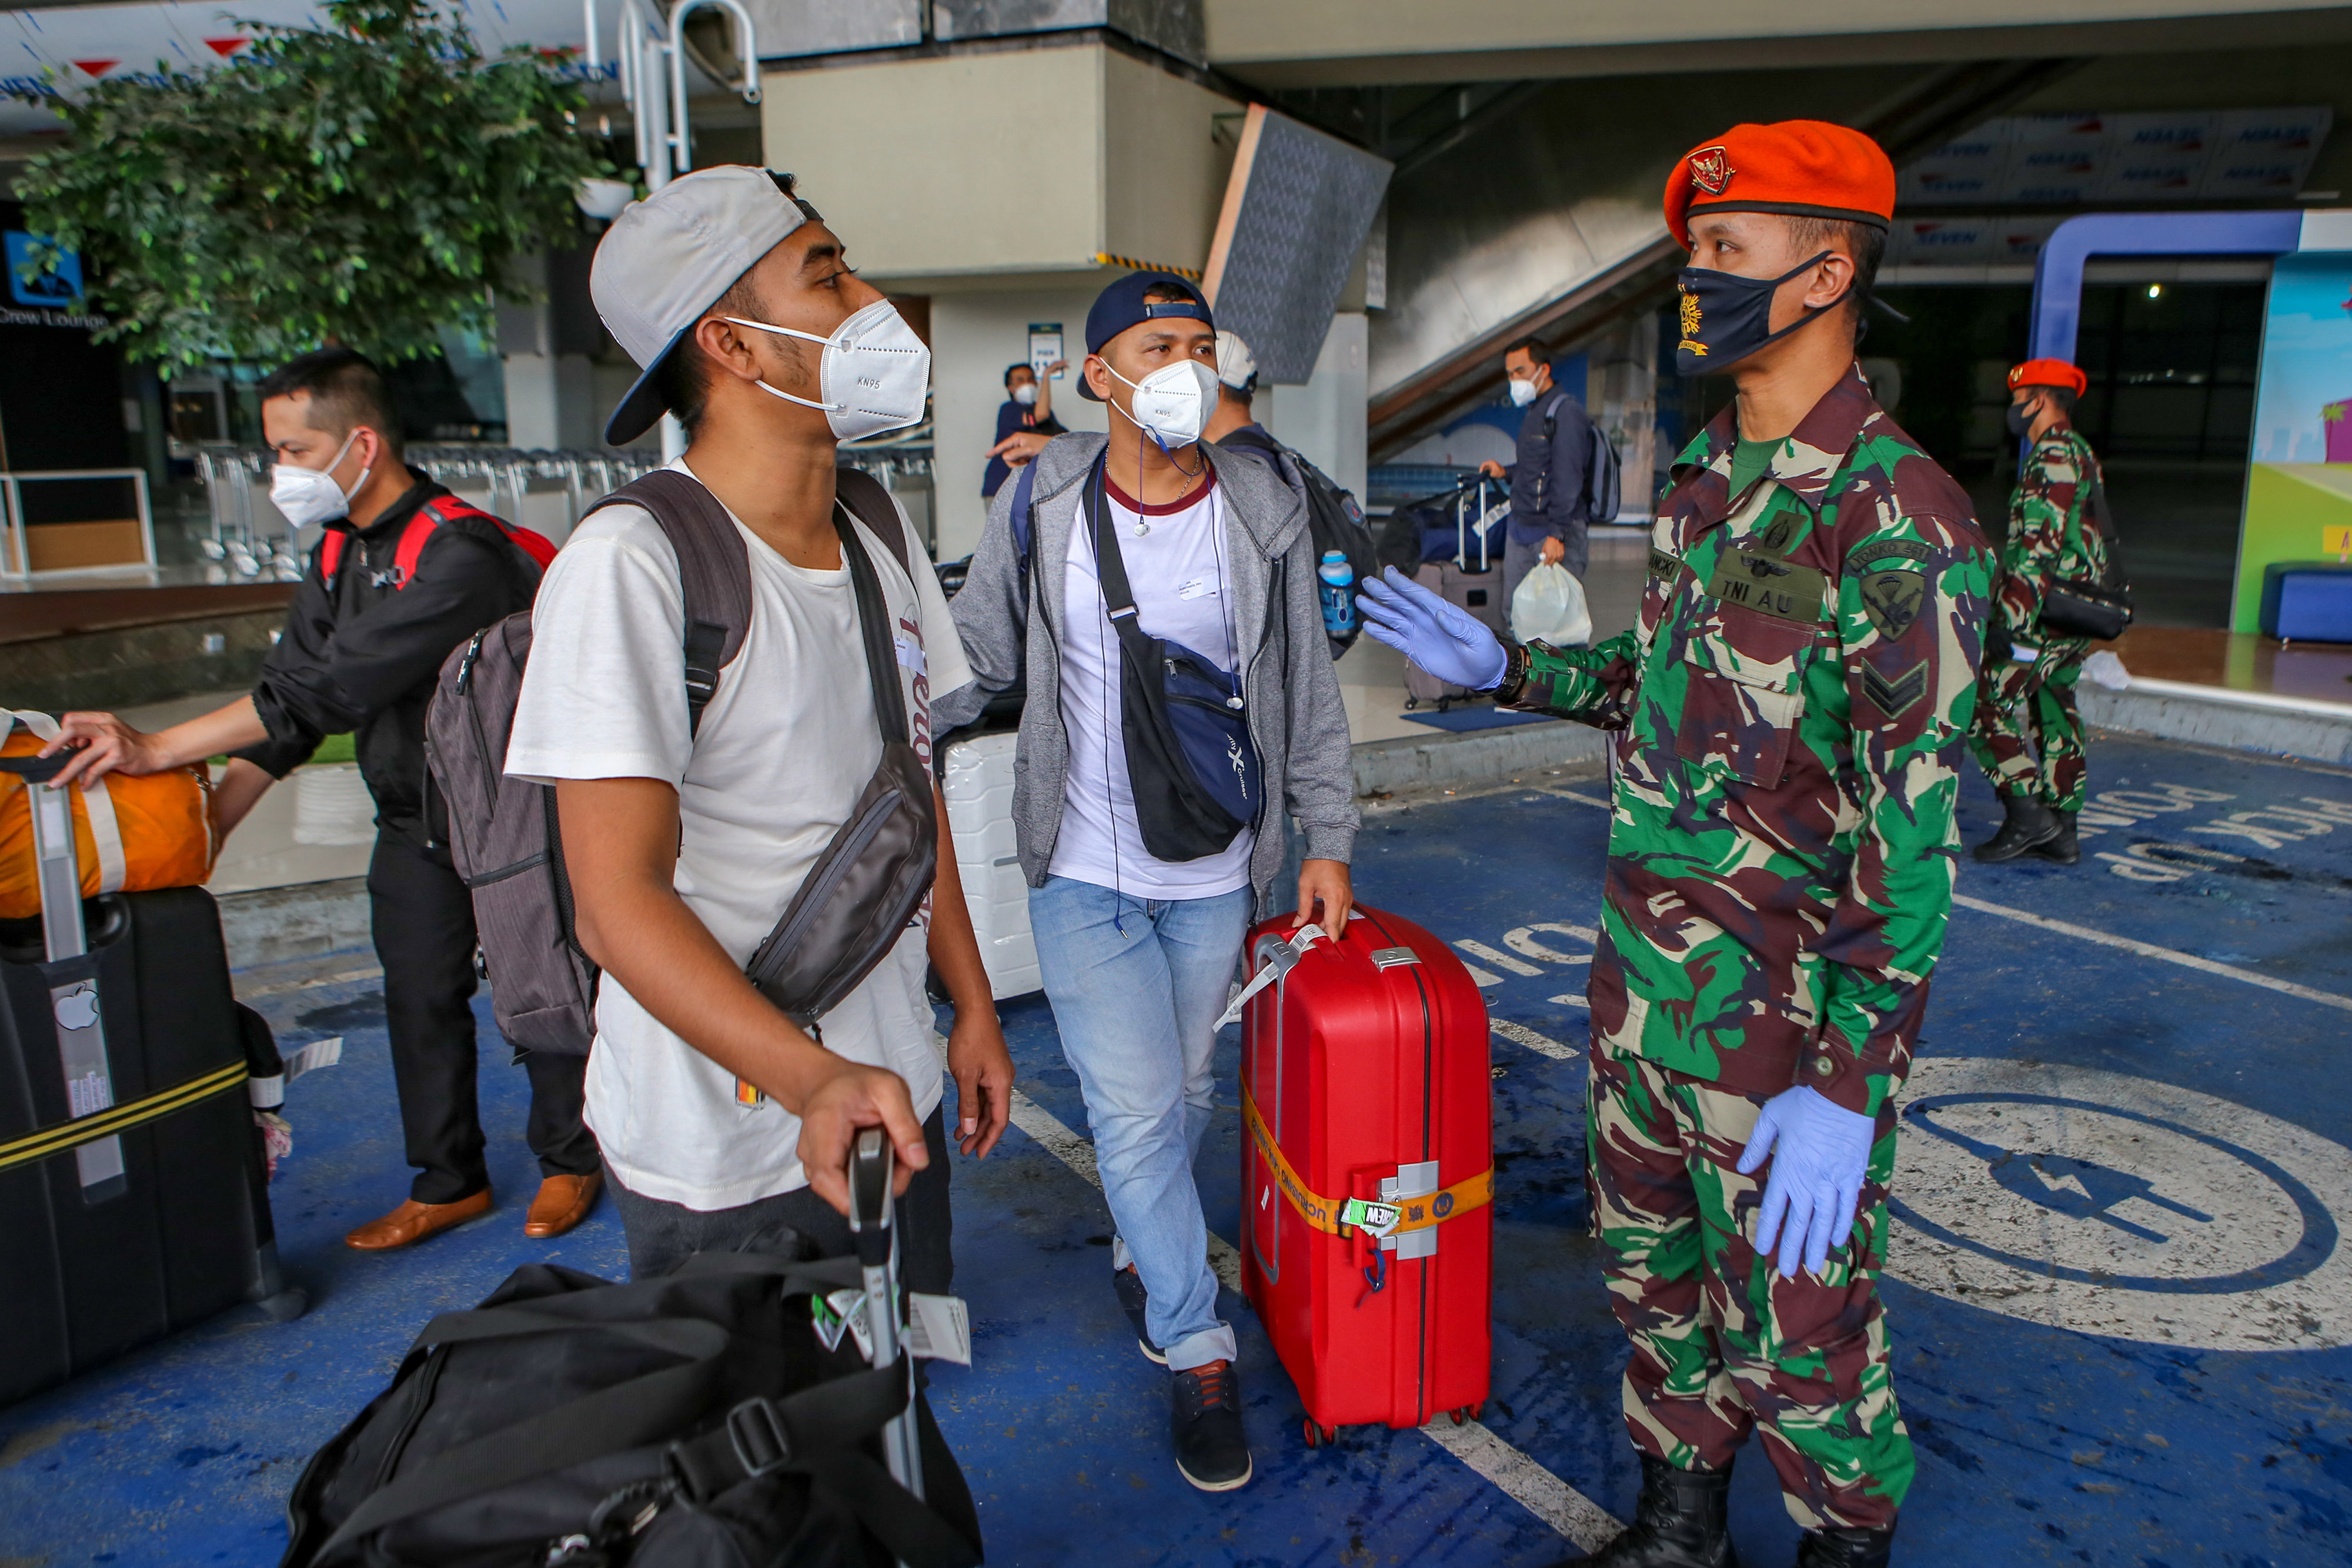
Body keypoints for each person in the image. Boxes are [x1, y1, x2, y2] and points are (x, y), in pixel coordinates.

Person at [1359, 121, 1993, 1568]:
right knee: (1652, 1283)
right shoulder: (1710, 475)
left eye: (1726, 253)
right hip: (1644, 994)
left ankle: (1840, 1540)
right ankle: (1679, 1522)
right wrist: (1504, 672)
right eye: (1689, 254)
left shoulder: (1900, 519)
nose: (1690, 283)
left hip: (1782, 1044)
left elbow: (1909, 846)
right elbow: (1660, 689)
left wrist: (1847, 1086)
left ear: (1826, 271)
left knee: (1802, 1330)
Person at [503, 166, 1015, 1283]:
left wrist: (969, 1006)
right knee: (765, 1449)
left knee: (890, 1403)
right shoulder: (631, 567)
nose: (870, 300)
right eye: (828, 275)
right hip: (725, 1149)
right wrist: (810, 1079)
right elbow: (616, 904)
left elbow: (911, 790)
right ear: (730, 346)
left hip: (891, 1094)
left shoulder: (877, 527)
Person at [938, 272, 1359, 1493]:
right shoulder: (1041, 499)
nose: (1185, 364)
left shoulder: (1259, 504)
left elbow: (1303, 696)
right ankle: (1194, 1341)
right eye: (1155, 344)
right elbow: (976, 656)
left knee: (1179, 1092)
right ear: (1097, 376)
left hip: (1216, 862)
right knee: (1130, 1113)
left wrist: (1325, 834)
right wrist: (880, 711)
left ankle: (1140, 1239)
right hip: (1076, 863)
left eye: (1197, 344)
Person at [41, 348, 600, 1252]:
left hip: (512, 824)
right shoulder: (340, 549)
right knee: (419, 997)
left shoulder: (462, 555)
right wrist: (215, 818)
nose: (280, 474)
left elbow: (331, 687)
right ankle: (449, 1180)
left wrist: (156, 747)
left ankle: (571, 1158)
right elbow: (287, 700)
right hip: (414, 822)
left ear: (362, 442)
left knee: (542, 993)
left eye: (295, 450)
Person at [1969, 358, 2107, 866]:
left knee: (1983, 701)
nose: (2014, 409)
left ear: (2041, 400)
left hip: (2043, 615)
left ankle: (2029, 817)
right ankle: (2064, 826)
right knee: (2056, 703)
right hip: (2078, 613)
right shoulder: (2082, 452)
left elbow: (2037, 549)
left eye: (2018, 399)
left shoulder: (2051, 455)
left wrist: (2008, 622)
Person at [1477, 333, 1596, 605]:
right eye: (1509, 374)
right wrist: (1505, 472)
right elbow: (1540, 466)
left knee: (1554, 626)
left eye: (1521, 371)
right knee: (1516, 617)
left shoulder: (1565, 412)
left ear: (1544, 370)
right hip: (1521, 529)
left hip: (1551, 534)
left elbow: (1569, 478)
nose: (1515, 380)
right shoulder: (1536, 411)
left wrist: (1557, 535)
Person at [981, 358, 1068, 500]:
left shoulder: (1045, 411)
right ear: (1010, 387)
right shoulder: (1008, 409)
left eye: (1030, 379)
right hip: (1001, 486)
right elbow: (1040, 415)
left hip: (1029, 488)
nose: (1027, 384)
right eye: (1020, 380)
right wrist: (1047, 376)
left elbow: (1061, 438)